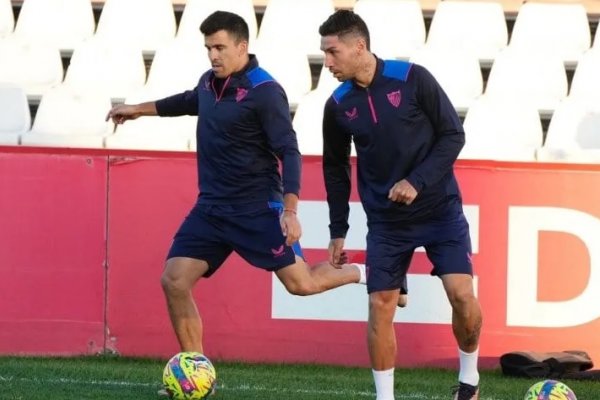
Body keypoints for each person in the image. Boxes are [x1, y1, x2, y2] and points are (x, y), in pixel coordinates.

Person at [106, 9, 366, 370]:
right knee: (174, 280)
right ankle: (196, 373)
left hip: (257, 208)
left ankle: (365, 274)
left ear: (241, 46)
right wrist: (139, 109)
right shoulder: (209, 82)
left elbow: (289, 150)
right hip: (211, 209)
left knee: (301, 285)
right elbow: (186, 101)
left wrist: (290, 210)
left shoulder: (265, 91)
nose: (213, 55)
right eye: (208, 48)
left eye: (219, 47)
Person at [319, 10, 483, 400]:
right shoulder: (337, 105)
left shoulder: (413, 79)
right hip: (387, 223)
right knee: (380, 303)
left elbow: (452, 136)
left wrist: (417, 181)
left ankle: (470, 379)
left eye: (332, 52)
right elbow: (335, 169)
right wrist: (338, 230)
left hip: (439, 210)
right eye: (324, 54)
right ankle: (384, 397)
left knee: (461, 295)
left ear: (359, 46)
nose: (326, 62)